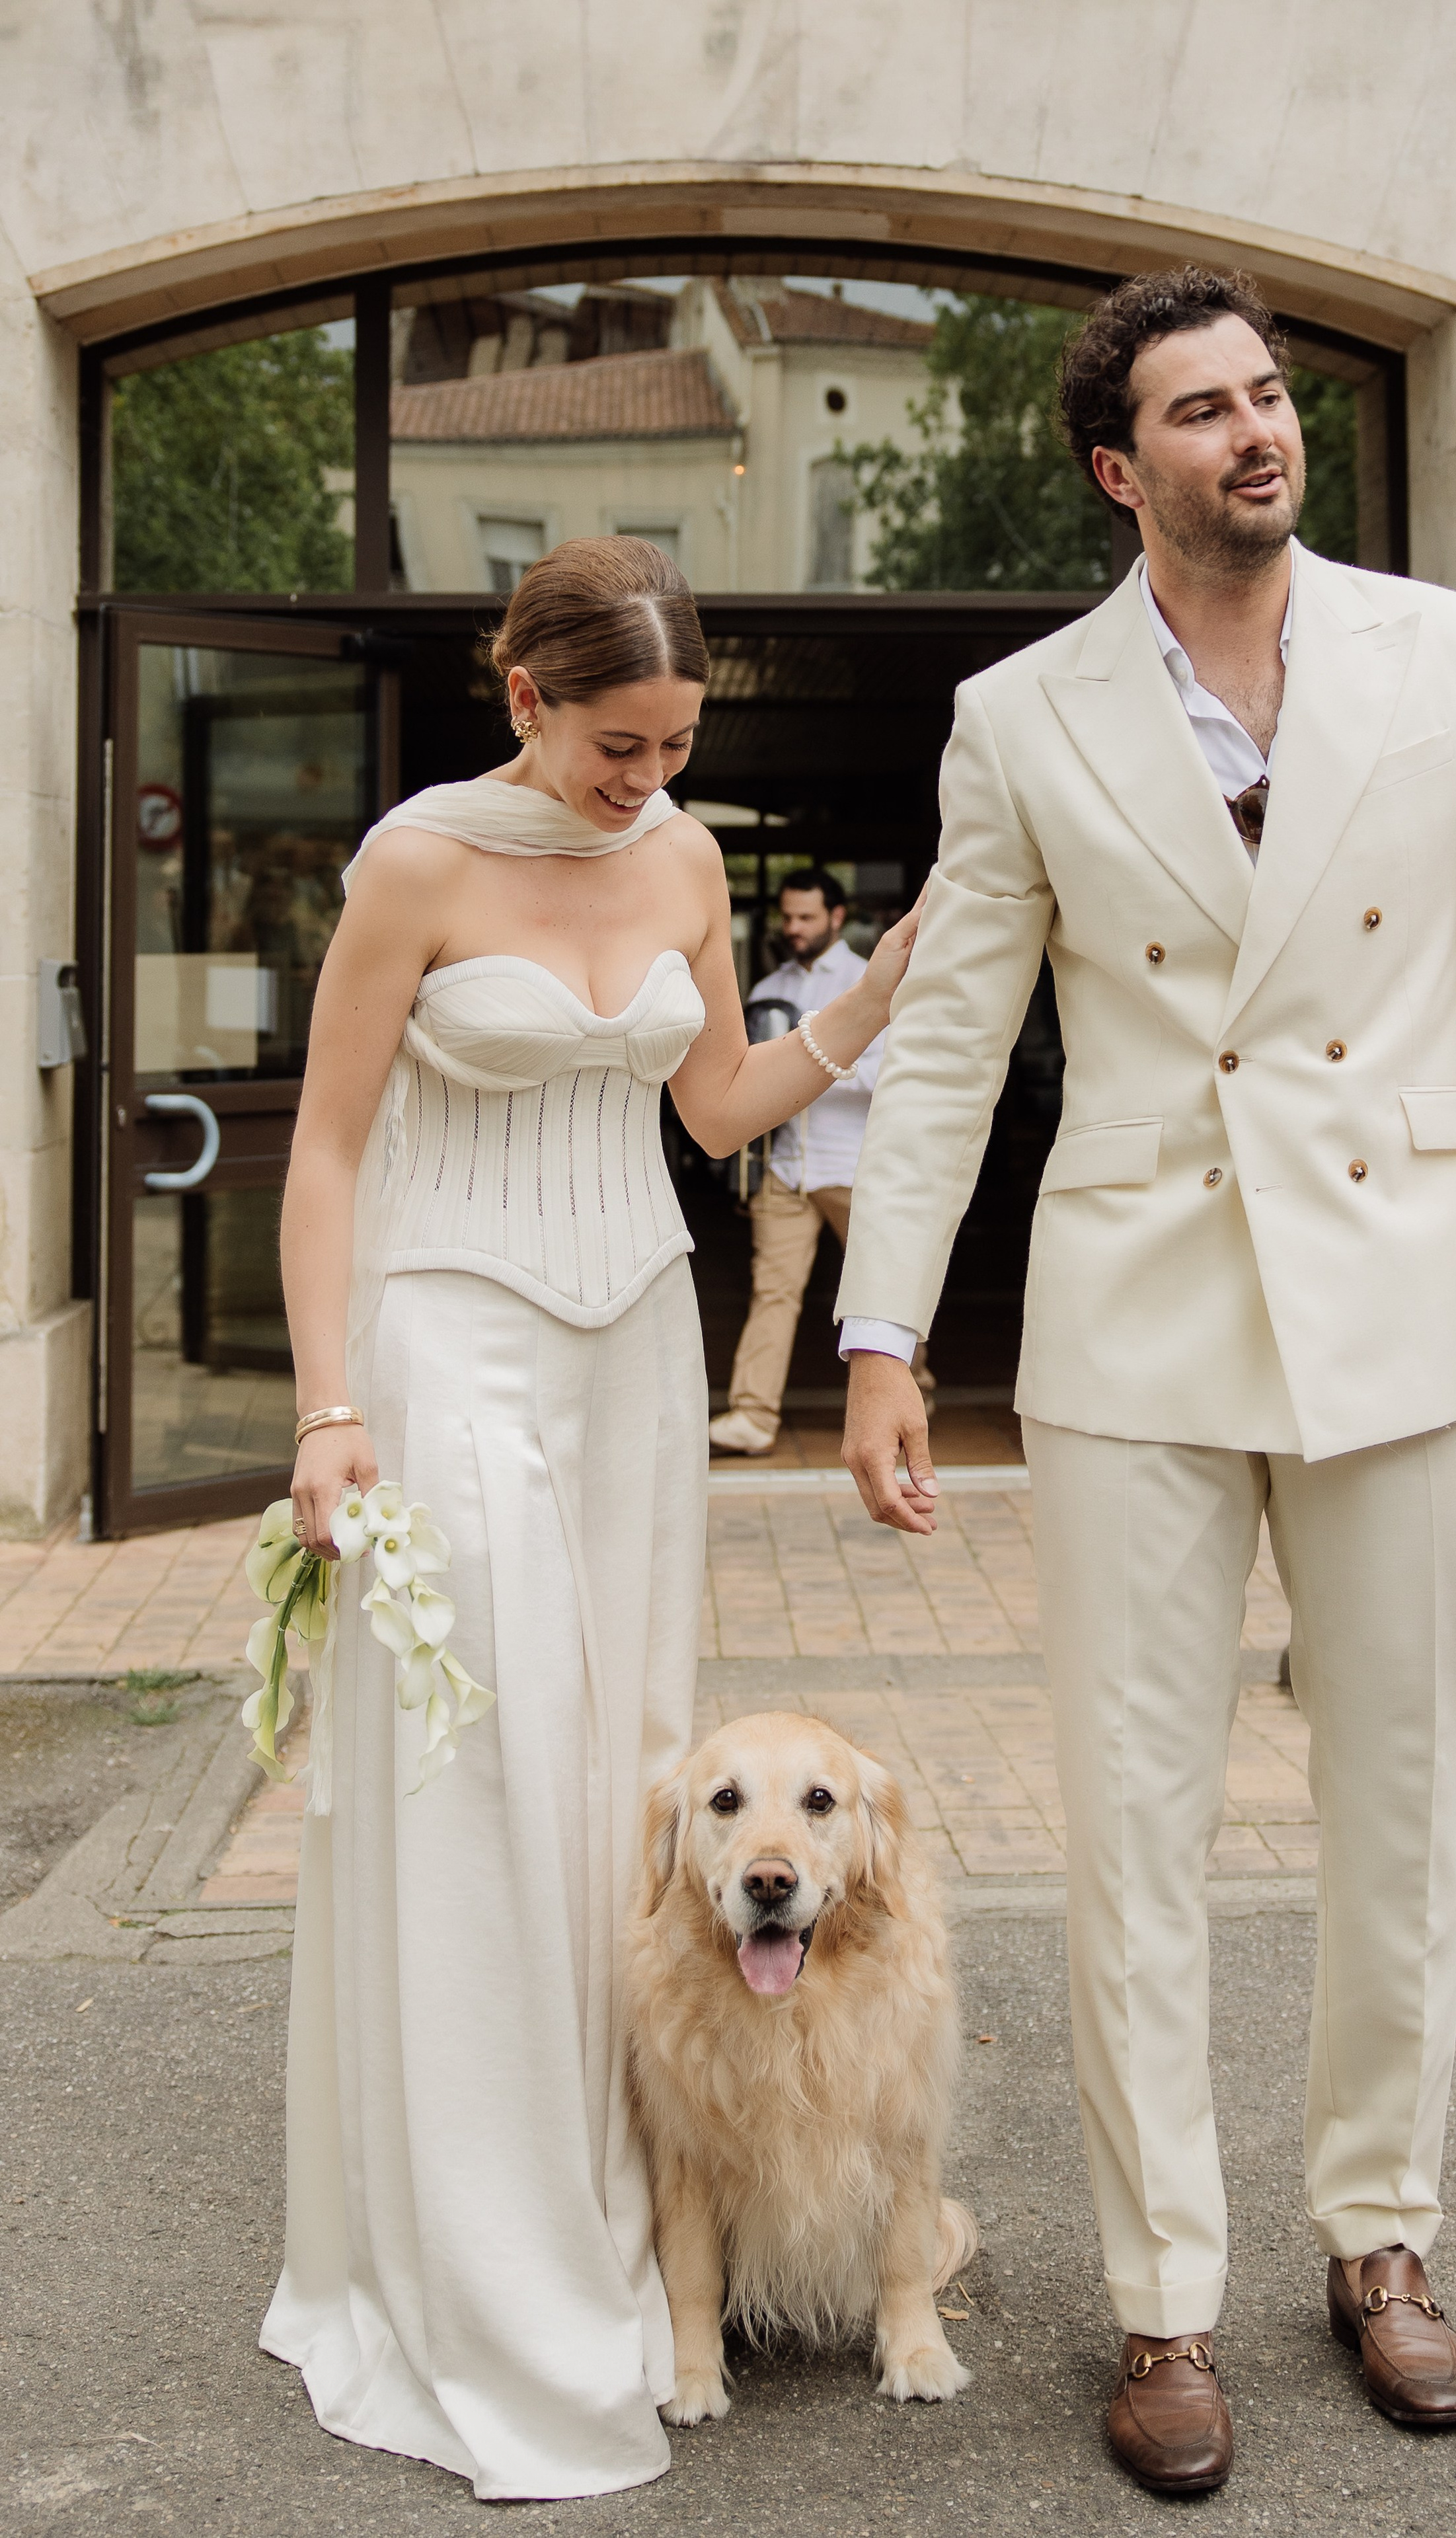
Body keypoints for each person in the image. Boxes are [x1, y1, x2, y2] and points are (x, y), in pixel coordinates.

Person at [835, 268, 1456, 2496]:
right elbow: (951, 1040)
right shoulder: (1022, 717)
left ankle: (1381, 2241)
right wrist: (883, 1329)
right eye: (1204, 411)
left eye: (1271, 394)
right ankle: (1162, 2298)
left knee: (1404, 1806)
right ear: (1125, 467)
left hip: (1406, 1296)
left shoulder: (1451, 653)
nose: (1258, 431)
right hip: (1141, 1319)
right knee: (1135, 1831)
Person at [265, 536, 919, 2501]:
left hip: (638, 1335)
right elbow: (326, 1146)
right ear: (525, 693)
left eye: (674, 745)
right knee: (492, 1770)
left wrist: (877, 987)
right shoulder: (414, 863)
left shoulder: (693, 861)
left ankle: (646, 2221)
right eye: (617, 743)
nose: (648, 778)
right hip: (448, 1329)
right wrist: (325, 1406)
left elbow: (717, 1107)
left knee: (631, 1771)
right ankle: (489, 2264)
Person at [707, 867, 932, 1455]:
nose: (795, 928)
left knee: (884, 1290)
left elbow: (899, 1074)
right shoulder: (766, 990)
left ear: (837, 917)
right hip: (786, 1168)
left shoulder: (876, 982)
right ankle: (752, 1418)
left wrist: (808, 1065)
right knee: (772, 1293)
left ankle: (916, 1391)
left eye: (807, 917)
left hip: (857, 1169)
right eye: (789, 917)